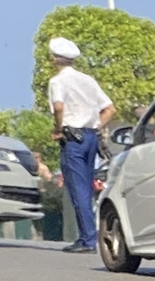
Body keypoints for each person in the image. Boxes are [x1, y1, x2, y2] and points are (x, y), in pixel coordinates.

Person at [45, 37, 114, 254]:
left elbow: (58, 107)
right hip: (90, 136)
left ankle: (88, 239)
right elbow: (110, 108)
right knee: (88, 184)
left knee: (79, 188)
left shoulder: (57, 82)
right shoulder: (88, 80)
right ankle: (91, 235)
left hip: (72, 138)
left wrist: (59, 128)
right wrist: (95, 126)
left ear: (55, 59)